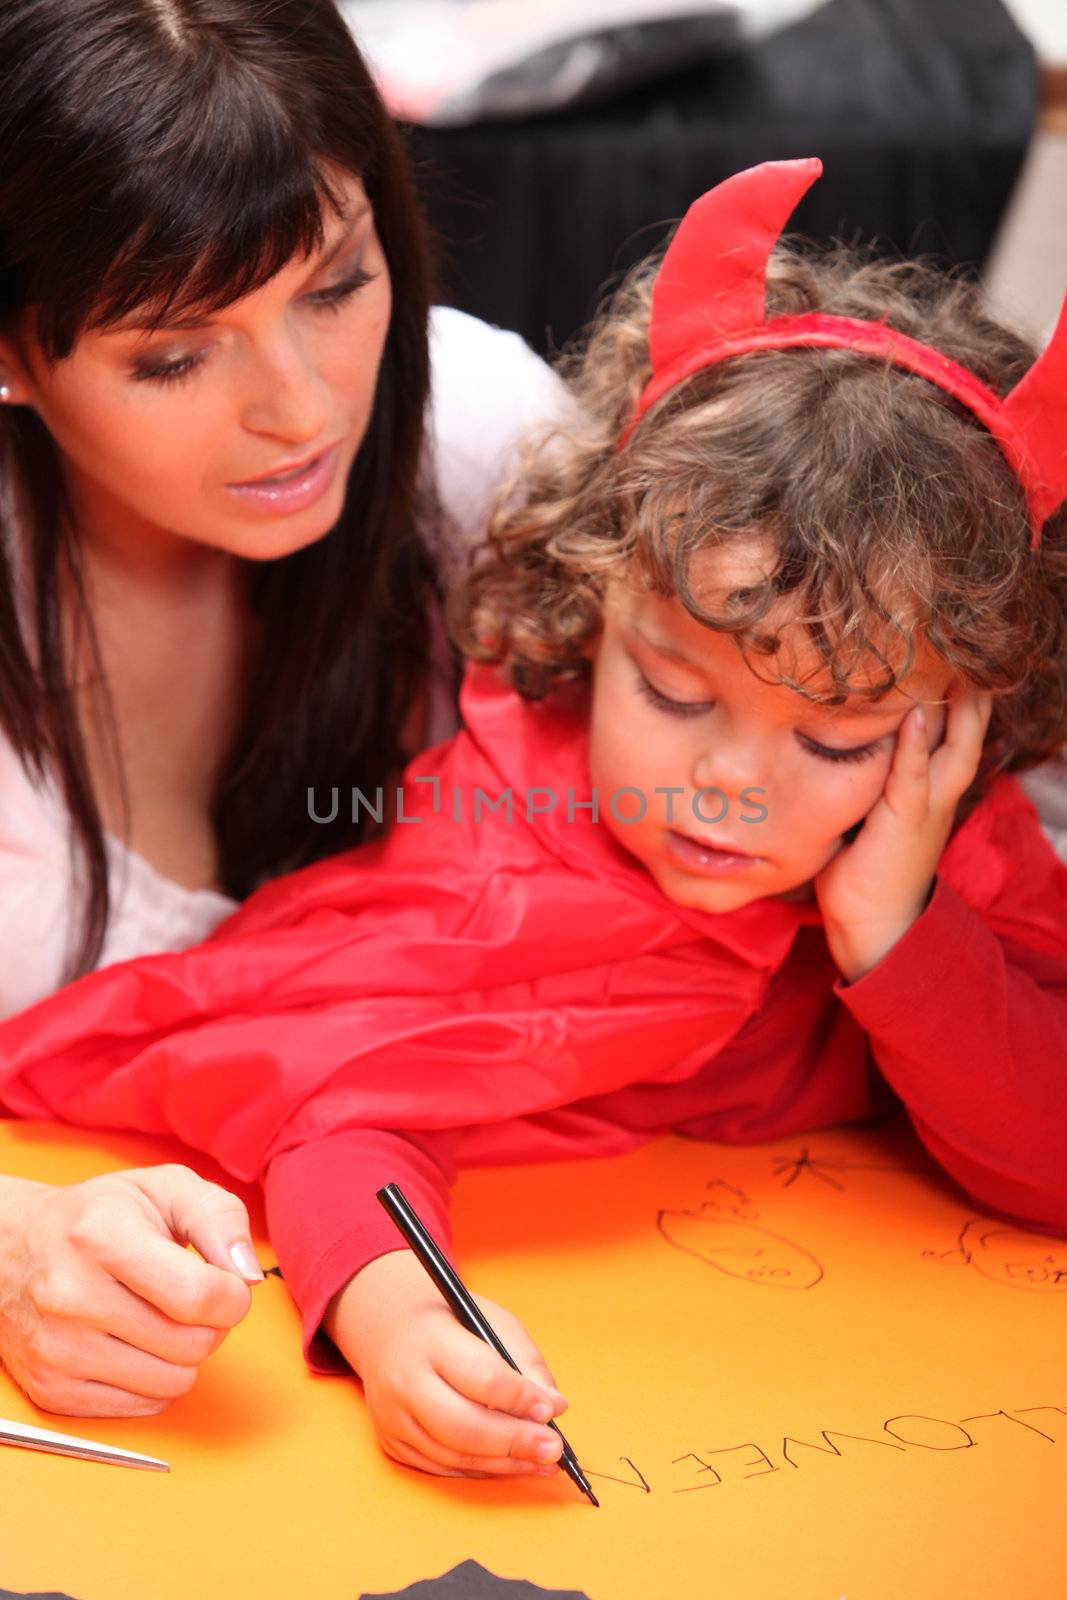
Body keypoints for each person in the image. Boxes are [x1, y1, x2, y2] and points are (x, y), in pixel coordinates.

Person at [2, 157, 1066, 1484]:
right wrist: (404, 1329)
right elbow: (342, 1115)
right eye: (673, 692)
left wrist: (895, 933)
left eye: (838, 736)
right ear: (593, 604)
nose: (727, 784)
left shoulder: (960, 845)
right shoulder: (504, 838)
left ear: (962, 714)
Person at [0, 0, 566, 1418]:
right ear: (10, 353)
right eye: (175, 355)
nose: (304, 410)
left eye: (338, 285)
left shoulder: (486, 445)